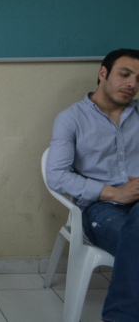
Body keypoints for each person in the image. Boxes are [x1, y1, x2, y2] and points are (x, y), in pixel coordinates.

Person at [46, 48, 139, 322]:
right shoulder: (71, 118)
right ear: (103, 73)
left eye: (138, 78)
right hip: (101, 208)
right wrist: (116, 193)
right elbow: (57, 176)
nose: (132, 84)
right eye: (125, 74)